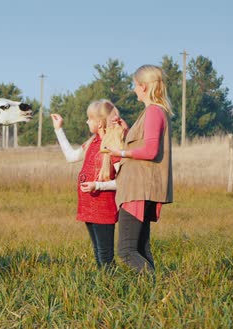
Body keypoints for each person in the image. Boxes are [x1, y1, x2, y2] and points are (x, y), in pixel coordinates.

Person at [105, 65, 174, 274]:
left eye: (135, 85)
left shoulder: (153, 111)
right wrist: (126, 132)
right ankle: (154, 297)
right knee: (141, 248)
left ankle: (155, 287)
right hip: (143, 187)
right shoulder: (154, 112)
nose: (134, 89)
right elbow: (144, 144)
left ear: (143, 87)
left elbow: (151, 151)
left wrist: (120, 153)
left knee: (126, 251)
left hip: (138, 188)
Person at [50, 100, 125, 269]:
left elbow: (123, 182)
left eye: (89, 118)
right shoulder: (92, 142)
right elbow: (71, 157)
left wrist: (97, 186)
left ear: (99, 122)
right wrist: (58, 129)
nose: (86, 122)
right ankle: (104, 288)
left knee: (105, 255)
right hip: (88, 207)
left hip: (104, 209)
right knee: (98, 252)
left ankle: (112, 288)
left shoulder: (113, 146)